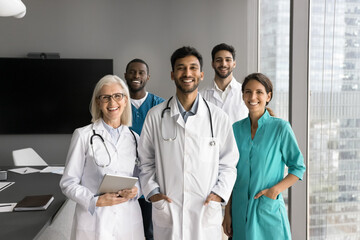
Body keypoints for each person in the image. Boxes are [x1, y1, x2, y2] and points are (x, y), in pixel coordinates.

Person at [138, 46, 239, 240]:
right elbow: (145, 161)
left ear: (201, 74)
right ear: (172, 74)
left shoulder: (218, 118)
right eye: (181, 68)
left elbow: (229, 164)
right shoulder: (155, 116)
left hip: (205, 213)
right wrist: (153, 193)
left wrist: (219, 194)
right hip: (168, 212)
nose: (187, 73)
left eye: (193, 68)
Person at [222, 73, 306, 240]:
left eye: (259, 92)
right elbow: (230, 172)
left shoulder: (281, 128)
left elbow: (298, 167)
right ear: (243, 96)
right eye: (248, 92)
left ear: (268, 96)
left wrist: (275, 190)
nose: (253, 97)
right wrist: (227, 212)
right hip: (239, 212)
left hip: (268, 210)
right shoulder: (235, 129)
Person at [60, 75, 144, 240]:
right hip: (94, 220)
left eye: (117, 96)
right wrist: (94, 201)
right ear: (98, 102)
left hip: (128, 220)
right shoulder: (83, 135)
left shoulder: (134, 138)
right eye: (105, 97)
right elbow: (68, 183)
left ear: (125, 100)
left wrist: (136, 190)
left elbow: (142, 178)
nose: (112, 102)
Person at [124, 58, 164, 240]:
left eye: (141, 72)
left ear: (148, 76)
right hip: (124, 176)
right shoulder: (118, 104)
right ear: (125, 76)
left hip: (152, 177)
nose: (136, 76)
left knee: (150, 231)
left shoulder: (160, 106)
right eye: (132, 72)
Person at [200, 43, 248, 123]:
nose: (223, 64)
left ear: (234, 64)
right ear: (213, 64)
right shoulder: (201, 96)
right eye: (219, 60)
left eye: (228, 60)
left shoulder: (245, 93)